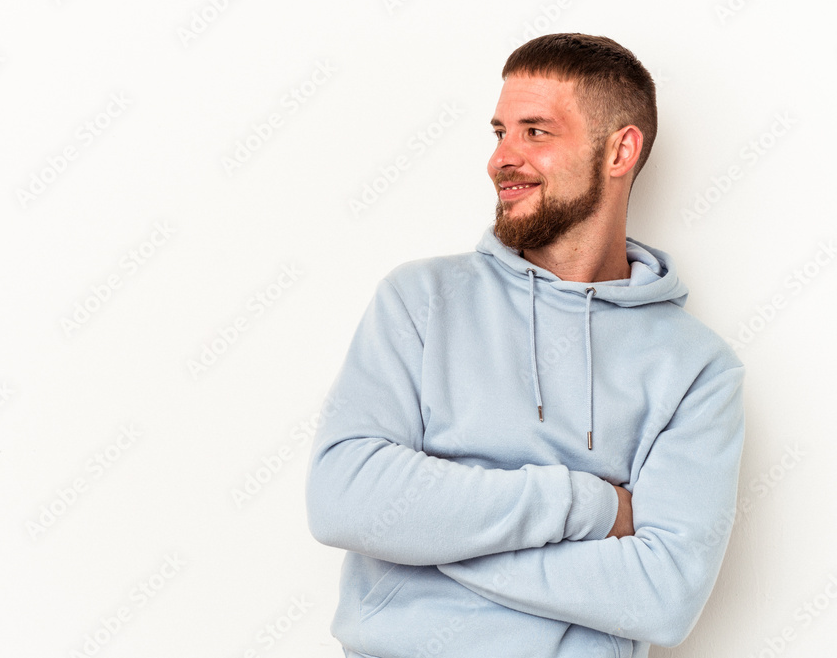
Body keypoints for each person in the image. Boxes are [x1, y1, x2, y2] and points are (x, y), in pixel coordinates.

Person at [305, 33, 745, 658]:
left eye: (535, 132)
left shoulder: (697, 368)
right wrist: (590, 506)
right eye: (499, 133)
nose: (500, 160)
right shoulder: (422, 299)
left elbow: (662, 596)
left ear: (619, 151)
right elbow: (342, 499)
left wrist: (429, 535)